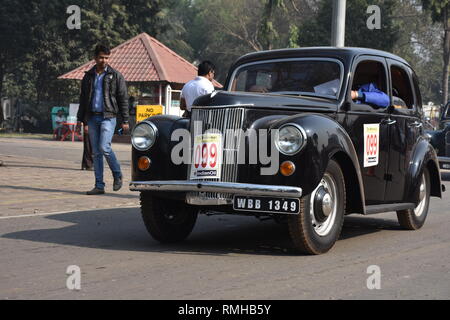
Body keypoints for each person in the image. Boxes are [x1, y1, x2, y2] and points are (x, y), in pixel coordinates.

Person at [77, 44, 129, 195]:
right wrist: (82, 120)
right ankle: (99, 185)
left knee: (104, 147)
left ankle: (117, 174)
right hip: (92, 117)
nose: (104, 60)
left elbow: (123, 98)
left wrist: (125, 120)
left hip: (109, 117)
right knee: (96, 153)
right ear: (95, 57)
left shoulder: (116, 75)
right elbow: (83, 99)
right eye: (101, 57)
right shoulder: (88, 76)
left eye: (107, 58)